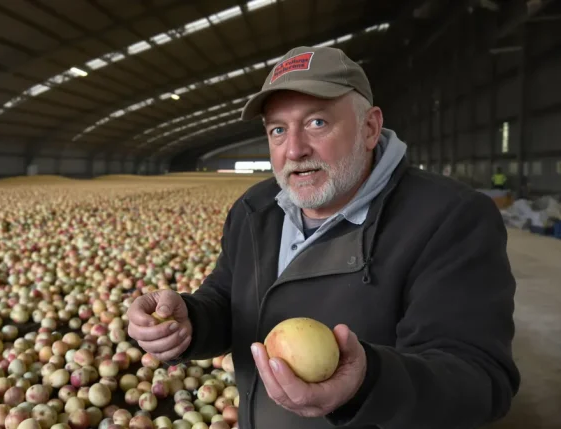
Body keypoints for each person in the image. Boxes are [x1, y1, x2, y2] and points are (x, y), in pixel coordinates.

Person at [128, 46, 520, 429]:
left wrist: (367, 384)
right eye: (278, 130)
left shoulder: (448, 219)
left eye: (317, 123)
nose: (295, 149)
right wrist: (189, 322)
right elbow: (230, 302)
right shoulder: (256, 209)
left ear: (369, 128)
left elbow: (481, 381)